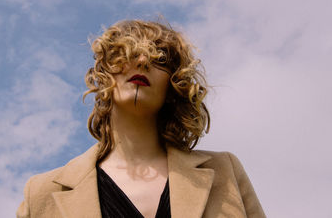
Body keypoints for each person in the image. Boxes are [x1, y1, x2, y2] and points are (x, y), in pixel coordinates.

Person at [17, 20, 266, 218]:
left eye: (160, 60)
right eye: (127, 53)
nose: (143, 61)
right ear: (103, 76)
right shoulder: (43, 192)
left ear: (173, 88)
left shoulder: (224, 171)